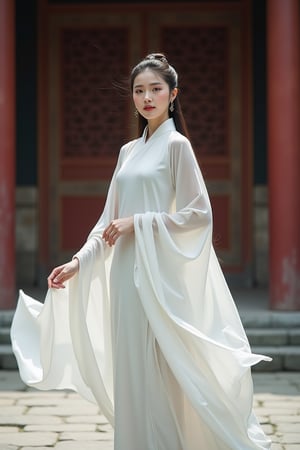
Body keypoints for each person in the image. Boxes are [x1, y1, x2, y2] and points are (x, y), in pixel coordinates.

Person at [11, 53, 272, 450]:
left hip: (159, 278)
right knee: (132, 369)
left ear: (173, 95)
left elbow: (198, 213)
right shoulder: (127, 152)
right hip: (126, 279)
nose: (147, 97)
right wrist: (78, 262)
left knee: (163, 371)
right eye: (139, 90)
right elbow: (106, 222)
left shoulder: (177, 146)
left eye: (155, 89)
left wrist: (141, 222)